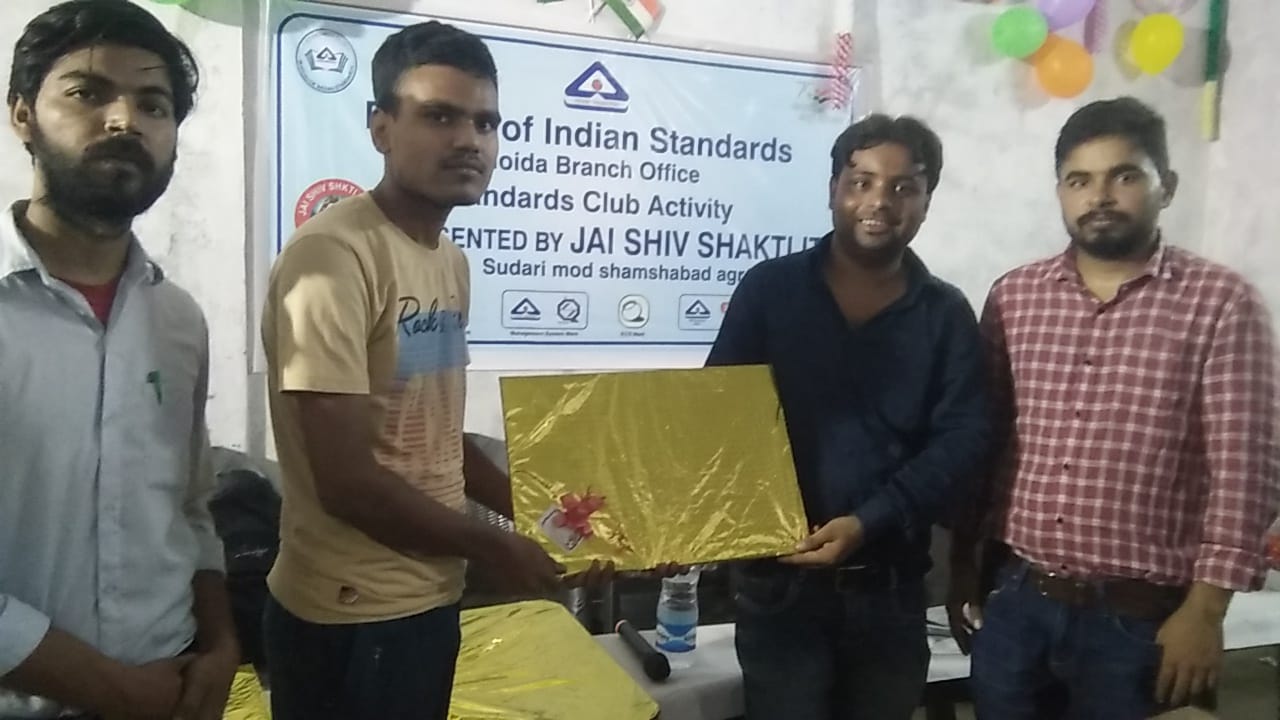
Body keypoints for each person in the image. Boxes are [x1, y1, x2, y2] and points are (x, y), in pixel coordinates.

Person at [261, 21, 644, 719]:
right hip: (352, 615)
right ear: (380, 127)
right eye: (440, 116)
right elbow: (345, 483)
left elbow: (434, 436)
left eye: (485, 122)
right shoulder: (334, 258)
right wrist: (499, 547)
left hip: (428, 597)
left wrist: (552, 517)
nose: (469, 140)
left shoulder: (448, 261)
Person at [948, 97, 1279, 720]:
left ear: (1166, 186)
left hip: (1143, 622)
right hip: (1016, 602)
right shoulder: (1015, 297)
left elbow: (1246, 474)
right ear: (1060, 193)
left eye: (1123, 176)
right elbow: (986, 442)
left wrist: (1205, 613)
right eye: (1079, 180)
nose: (1099, 196)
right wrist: (963, 565)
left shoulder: (1222, 303)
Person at [705, 114, 990, 720]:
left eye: (903, 187)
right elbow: (718, 415)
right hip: (777, 590)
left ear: (927, 201)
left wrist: (868, 521)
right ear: (833, 189)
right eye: (861, 181)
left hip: (890, 596)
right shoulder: (769, 290)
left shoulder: (945, 315)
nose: (879, 201)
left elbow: (963, 443)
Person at [0, 1, 238, 719]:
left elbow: (190, 508)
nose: (124, 121)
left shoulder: (178, 320)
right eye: (88, 92)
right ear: (22, 115)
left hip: (173, 690)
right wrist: (113, 690)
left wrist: (223, 642)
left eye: (153, 104)